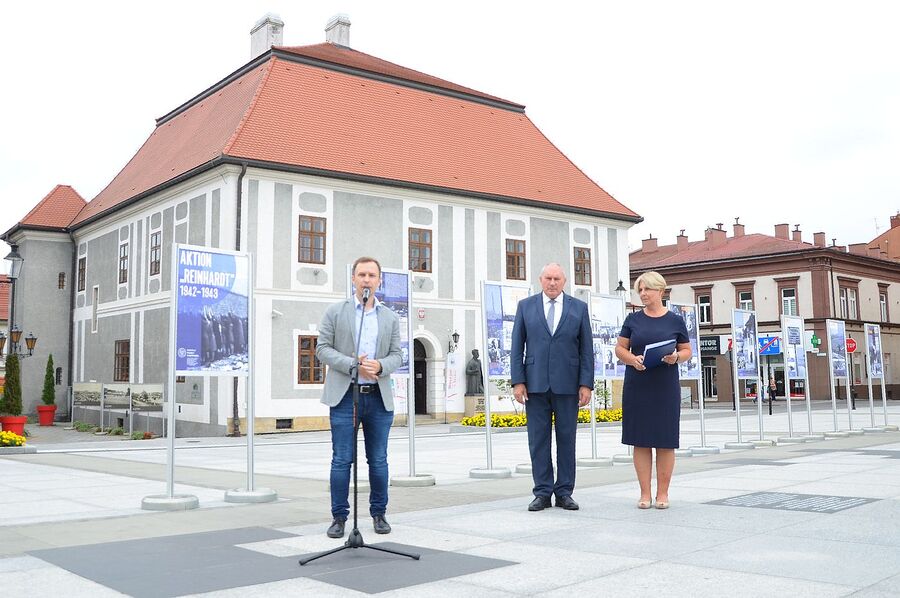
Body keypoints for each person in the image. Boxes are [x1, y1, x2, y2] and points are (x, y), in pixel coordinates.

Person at [316, 257, 403, 539]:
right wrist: (352, 364)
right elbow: (322, 349)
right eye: (362, 274)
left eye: (372, 275)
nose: (367, 280)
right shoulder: (336, 311)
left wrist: (381, 366)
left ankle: (379, 513)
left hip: (378, 398)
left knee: (378, 460)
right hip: (345, 396)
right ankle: (339, 517)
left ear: (379, 281)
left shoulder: (389, 317)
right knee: (342, 459)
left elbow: (397, 355)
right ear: (353, 278)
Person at [511, 263, 593, 512]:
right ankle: (543, 492)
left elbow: (586, 350)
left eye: (557, 278)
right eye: (548, 278)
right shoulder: (526, 306)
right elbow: (517, 346)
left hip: (568, 385)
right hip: (535, 384)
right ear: (541, 280)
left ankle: (564, 492)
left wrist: (586, 384)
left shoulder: (579, 308)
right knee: (538, 441)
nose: (552, 283)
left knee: (567, 440)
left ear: (564, 281)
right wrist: (518, 381)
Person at [615, 271, 691, 510]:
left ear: (661, 291)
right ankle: (645, 493)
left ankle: (663, 493)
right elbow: (620, 348)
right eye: (640, 290)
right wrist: (631, 359)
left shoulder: (675, 321)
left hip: (665, 385)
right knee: (641, 440)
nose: (643, 294)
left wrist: (676, 357)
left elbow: (687, 350)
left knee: (665, 440)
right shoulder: (632, 319)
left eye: (647, 289)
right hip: (638, 384)